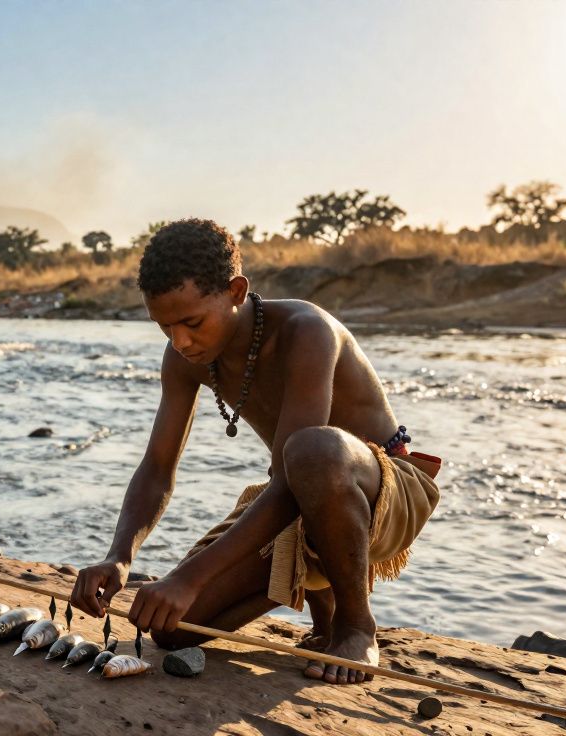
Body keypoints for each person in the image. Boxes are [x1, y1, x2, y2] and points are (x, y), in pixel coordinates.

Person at [69, 219, 441, 685]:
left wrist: (188, 579)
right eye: (165, 327)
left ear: (236, 291)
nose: (180, 341)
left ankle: (355, 624)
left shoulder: (306, 332)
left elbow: (296, 477)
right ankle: (322, 611)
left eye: (192, 323)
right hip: (297, 499)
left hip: (384, 495)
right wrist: (120, 555)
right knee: (174, 629)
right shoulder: (185, 359)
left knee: (312, 450)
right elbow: (158, 468)